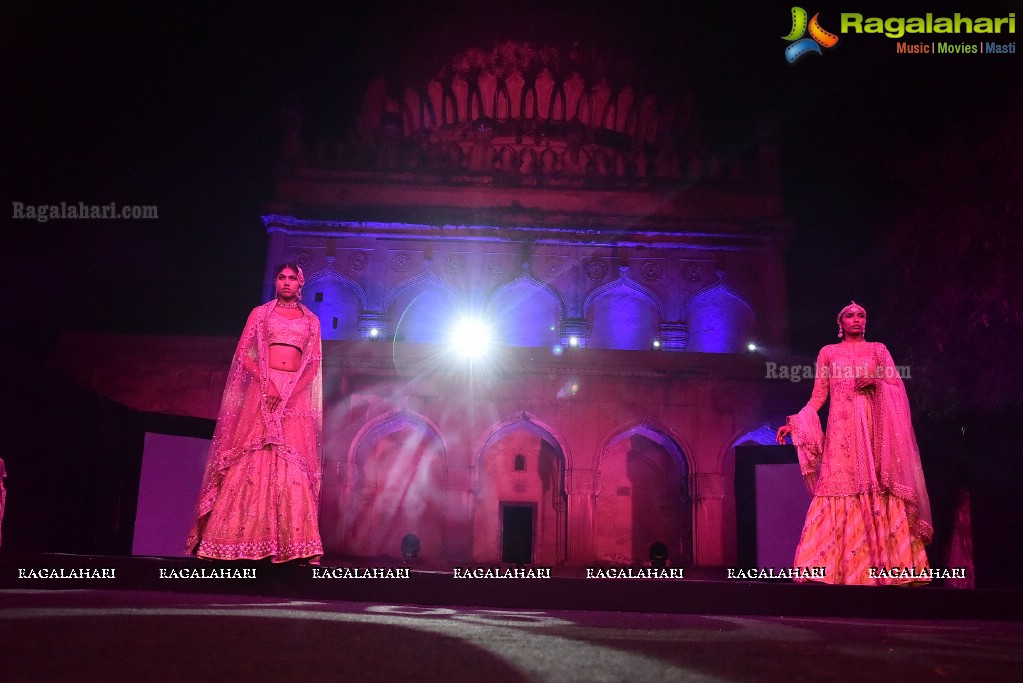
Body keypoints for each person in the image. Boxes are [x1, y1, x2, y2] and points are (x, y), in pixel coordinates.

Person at [776, 302, 933, 585]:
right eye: (850, 315)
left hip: (875, 433)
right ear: (840, 322)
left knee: (879, 488)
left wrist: (876, 380)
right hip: (840, 432)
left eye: (861, 315)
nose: (857, 319)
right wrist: (795, 423)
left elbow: (896, 386)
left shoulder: (878, 350)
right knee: (836, 488)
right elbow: (818, 396)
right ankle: (829, 570)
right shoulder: (828, 353)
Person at [186, 263, 324, 564]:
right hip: (263, 390)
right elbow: (244, 353)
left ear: (301, 284)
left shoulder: (312, 321)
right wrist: (268, 384)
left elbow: (313, 363)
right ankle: (233, 543)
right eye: (281, 277)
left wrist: (290, 391)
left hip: (294, 397)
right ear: (276, 281)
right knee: (252, 458)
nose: (286, 283)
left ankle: (292, 547)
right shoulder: (261, 314)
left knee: (291, 463)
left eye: (291, 278)